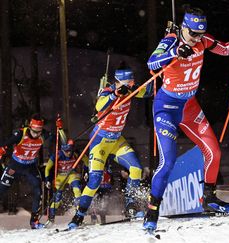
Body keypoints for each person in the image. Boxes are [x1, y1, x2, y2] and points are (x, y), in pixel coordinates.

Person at [143, 7, 229, 231]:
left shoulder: (203, 41)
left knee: (214, 151)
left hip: (189, 106)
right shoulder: (170, 40)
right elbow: (152, 63)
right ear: (184, 27)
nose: (197, 38)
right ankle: (152, 209)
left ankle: (209, 198)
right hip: (167, 107)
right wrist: (176, 53)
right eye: (193, 34)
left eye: (200, 34)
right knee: (167, 161)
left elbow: (225, 49)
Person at [68, 63, 153, 229]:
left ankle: (131, 206)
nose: (130, 85)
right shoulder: (108, 91)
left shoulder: (131, 90)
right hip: (100, 142)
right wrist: (114, 94)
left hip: (116, 141)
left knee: (136, 169)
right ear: (118, 82)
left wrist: (155, 76)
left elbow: (149, 91)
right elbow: (99, 105)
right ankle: (79, 215)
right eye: (127, 82)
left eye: (131, 81)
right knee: (94, 181)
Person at [0, 114, 55, 229]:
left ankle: (34, 222)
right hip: (15, 165)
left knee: (38, 191)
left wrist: (59, 129)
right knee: (2, 189)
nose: (36, 134)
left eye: (38, 131)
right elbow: (5, 144)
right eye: (34, 131)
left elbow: (61, 140)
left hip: (30, 167)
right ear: (30, 127)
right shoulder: (20, 134)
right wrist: (2, 150)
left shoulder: (43, 134)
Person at [44, 138, 88, 225]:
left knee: (77, 191)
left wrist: (86, 172)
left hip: (72, 174)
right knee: (57, 199)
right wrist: (47, 180)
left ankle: (79, 217)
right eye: (66, 151)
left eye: (70, 150)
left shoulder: (76, 153)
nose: (69, 153)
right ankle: (51, 219)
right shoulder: (57, 155)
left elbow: (87, 162)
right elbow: (47, 168)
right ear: (62, 149)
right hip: (60, 176)